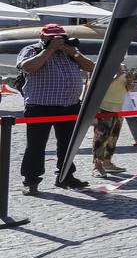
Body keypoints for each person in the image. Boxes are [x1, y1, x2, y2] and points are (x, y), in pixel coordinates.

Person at [16, 24, 95, 193]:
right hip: (40, 107)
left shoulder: (70, 52)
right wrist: (49, 50)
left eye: (61, 37)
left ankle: (66, 177)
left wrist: (73, 52)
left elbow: (91, 67)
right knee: (36, 145)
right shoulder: (32, 49)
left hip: (69, 106)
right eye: (53, 37)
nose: (58, 40)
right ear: (43, 37)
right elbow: (27, 67)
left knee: (68, 145)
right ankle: (31, 181)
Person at [92, 64, 132, 177]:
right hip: (104, 106)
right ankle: (97, 166)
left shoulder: (124, 66)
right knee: (101, 137)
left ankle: (107, 163)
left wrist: (129, 82)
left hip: (119, 107)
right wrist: (116, 75)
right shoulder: (104, 64)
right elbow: (97, 85)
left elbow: (127, 88)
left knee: (113, 137)